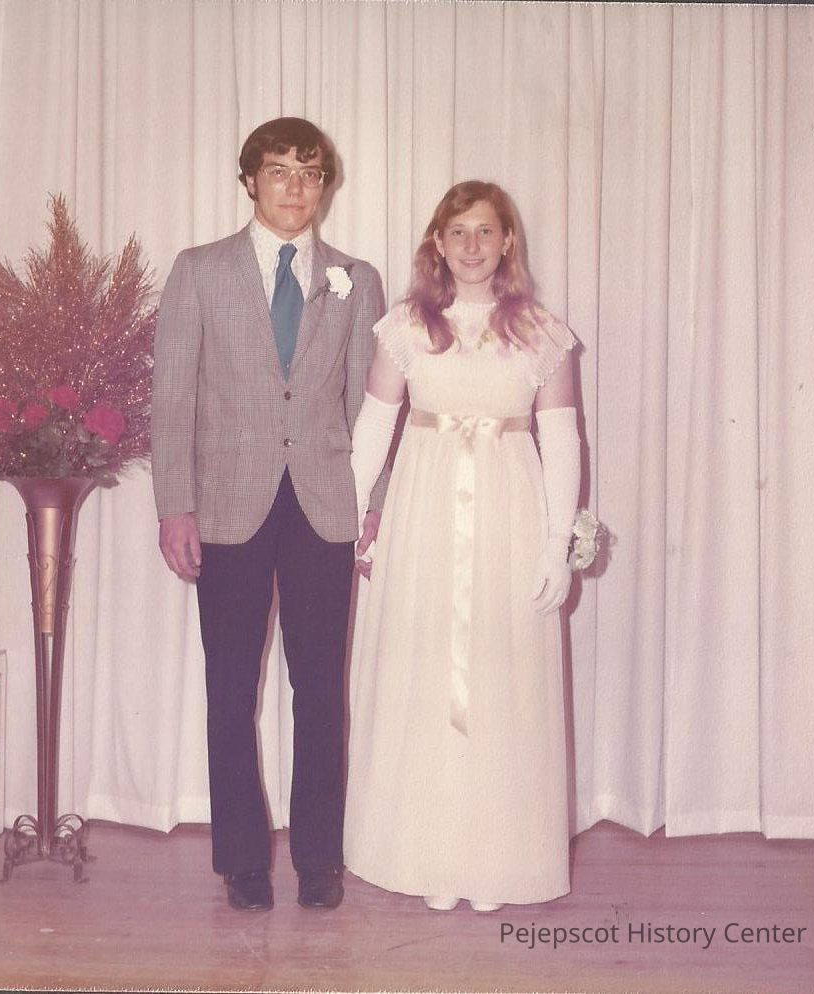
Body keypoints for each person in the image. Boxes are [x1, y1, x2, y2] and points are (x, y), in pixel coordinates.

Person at [151, 117, 387, 912]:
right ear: (250, 180)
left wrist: (373, 504)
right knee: (230, 687)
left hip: (324, 504)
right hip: (226, 504)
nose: (296, 187)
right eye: (280, 170)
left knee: (320, 689)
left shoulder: (356, 278)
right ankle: (242, 862)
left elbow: (370, 408)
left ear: (325, 187)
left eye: (310, 173)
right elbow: (171, 400)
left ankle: (319, 858)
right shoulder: (199, 271)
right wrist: (175, 506)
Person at [344, 180, 579, 912]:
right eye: (458, 232)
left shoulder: (542, 332)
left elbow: (563, 439)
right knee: (425, 678)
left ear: (507, 242)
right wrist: (348, 519)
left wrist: (556, 544)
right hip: (423, 513)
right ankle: (426, 858)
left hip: (510, 512)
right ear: (438, 245)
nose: (472, 245)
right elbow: (373, 428)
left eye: (485, 231)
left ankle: (496, 864)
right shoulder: (406, 326)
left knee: (500, 686)